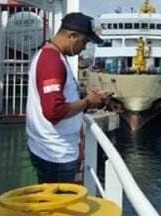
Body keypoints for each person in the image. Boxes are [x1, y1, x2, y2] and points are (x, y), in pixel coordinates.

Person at [26, 12, 112, 183]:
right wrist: (88, 102)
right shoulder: (52, 61)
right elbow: (54, 111)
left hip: (51, 150)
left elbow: (60, 97)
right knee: (59, 207)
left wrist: (88, 99)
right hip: (55, 155)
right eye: (85, 41)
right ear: (73, 36)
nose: (84, 48)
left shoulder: (54, 56)